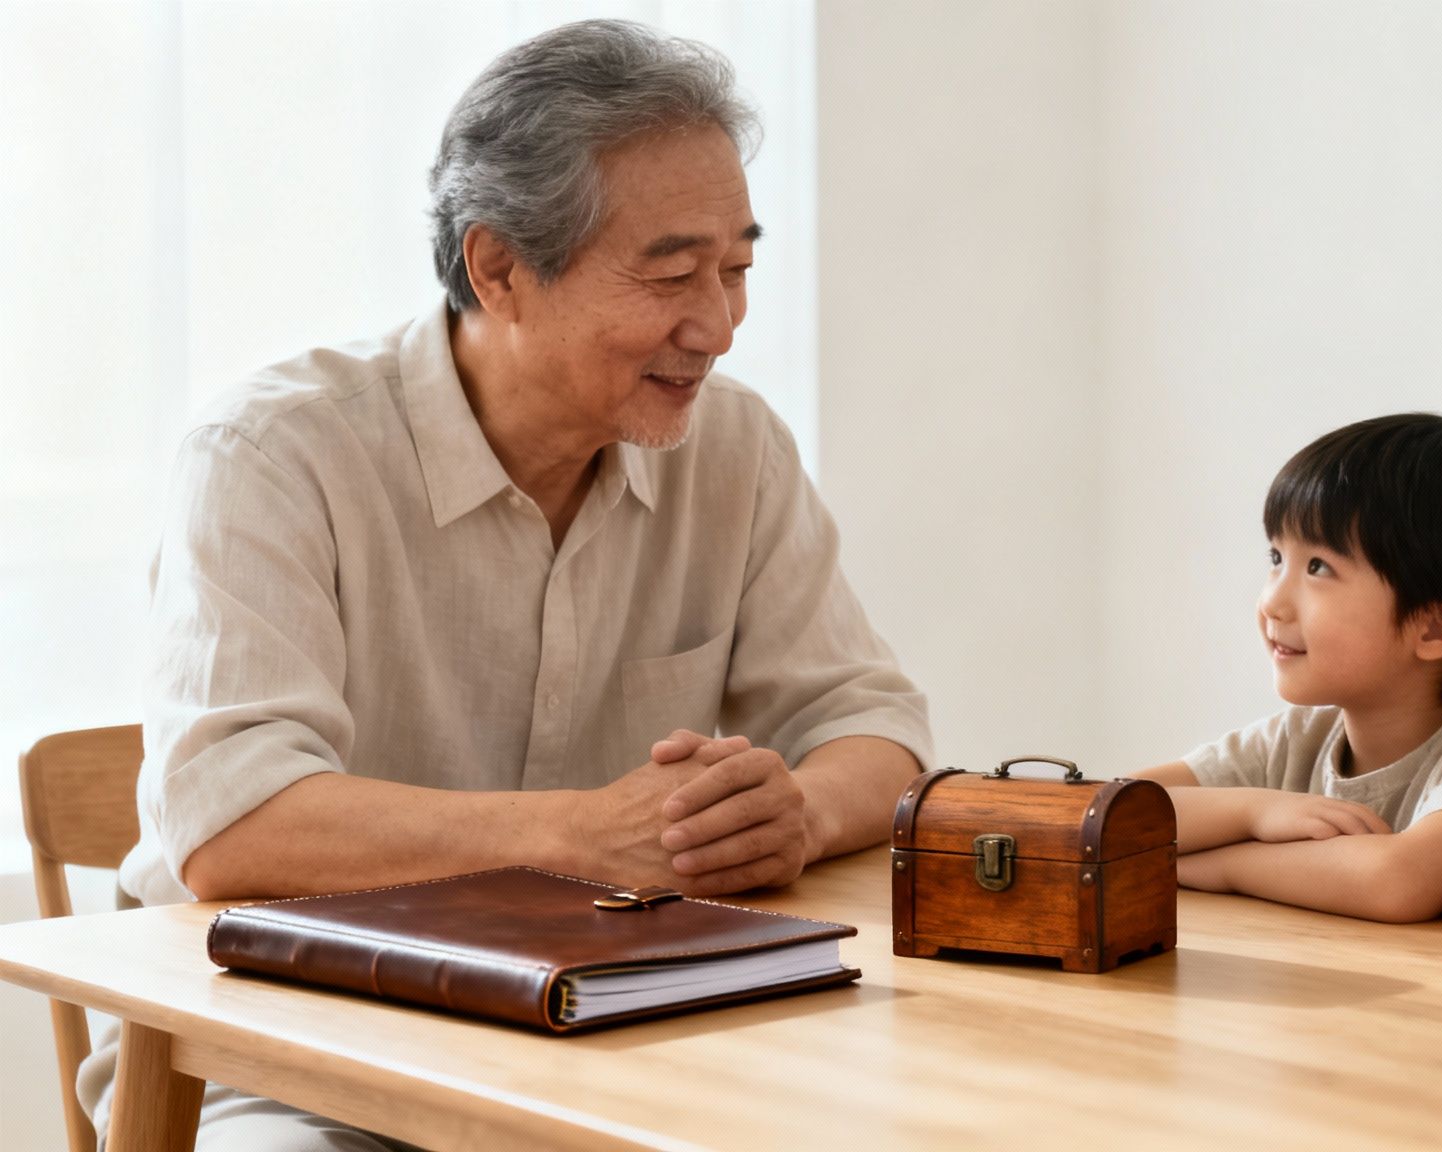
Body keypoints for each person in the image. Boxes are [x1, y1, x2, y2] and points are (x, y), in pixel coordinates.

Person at [80, 20, 932, 1149]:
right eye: (673, 273)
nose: (719, 327)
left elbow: (874, 726)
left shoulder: (735, 449)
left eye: (736, 271)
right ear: (498, 267)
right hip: (289, 1047)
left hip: (624, 1027)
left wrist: (793, 815)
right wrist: (580, 836)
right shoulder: (273, 455)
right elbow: (232, 822)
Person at [1134, 414, 1442, 922]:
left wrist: (1214, 865)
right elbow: (1111, 812)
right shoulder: (1298, 739)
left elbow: (1395, 882)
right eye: (1276, 557)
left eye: (1318, 567)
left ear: (1437, 627)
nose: (1272, 602)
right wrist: (1254, 812)